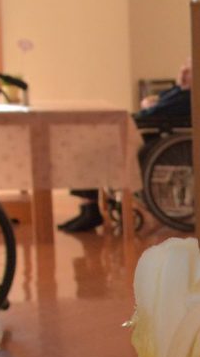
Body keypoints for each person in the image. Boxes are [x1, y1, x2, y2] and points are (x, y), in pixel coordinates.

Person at [59, 59, 192, 233]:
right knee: (86, 148)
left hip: (149, 137)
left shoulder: (186, 96)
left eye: (187, 72)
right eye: (181, 69)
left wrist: (151, 104)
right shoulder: (179, 91)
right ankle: (87, 208)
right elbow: (153, 104)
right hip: (146, 130)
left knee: (89, 152)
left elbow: (153, 110)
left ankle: (90, 210)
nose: (181, 74)